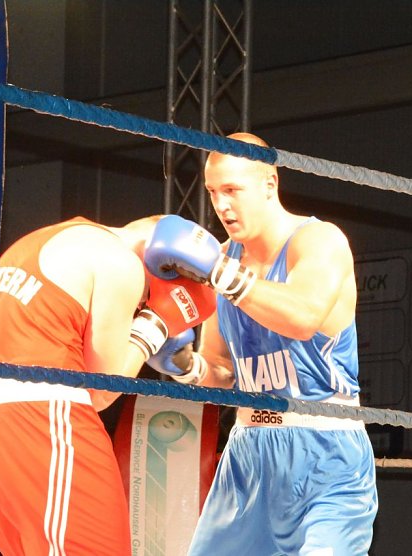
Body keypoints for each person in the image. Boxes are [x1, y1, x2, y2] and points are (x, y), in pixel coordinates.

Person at [145, 133, 378, 555]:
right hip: (247, 453)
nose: (222, 205)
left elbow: (303, 316)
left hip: (325, 454)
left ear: (270, 183)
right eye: (214, 192)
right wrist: (187, 366)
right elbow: (221, 369)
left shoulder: (319, 241)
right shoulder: (220, 259)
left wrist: (223, 274)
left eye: (233, 190)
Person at [0, 215, 215, 556]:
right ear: (165, 263)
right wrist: (155, 324)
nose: (140, 303)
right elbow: (102, 389)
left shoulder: (45, 237)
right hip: (47, 418)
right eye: (147, 297)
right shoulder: (120, 262)